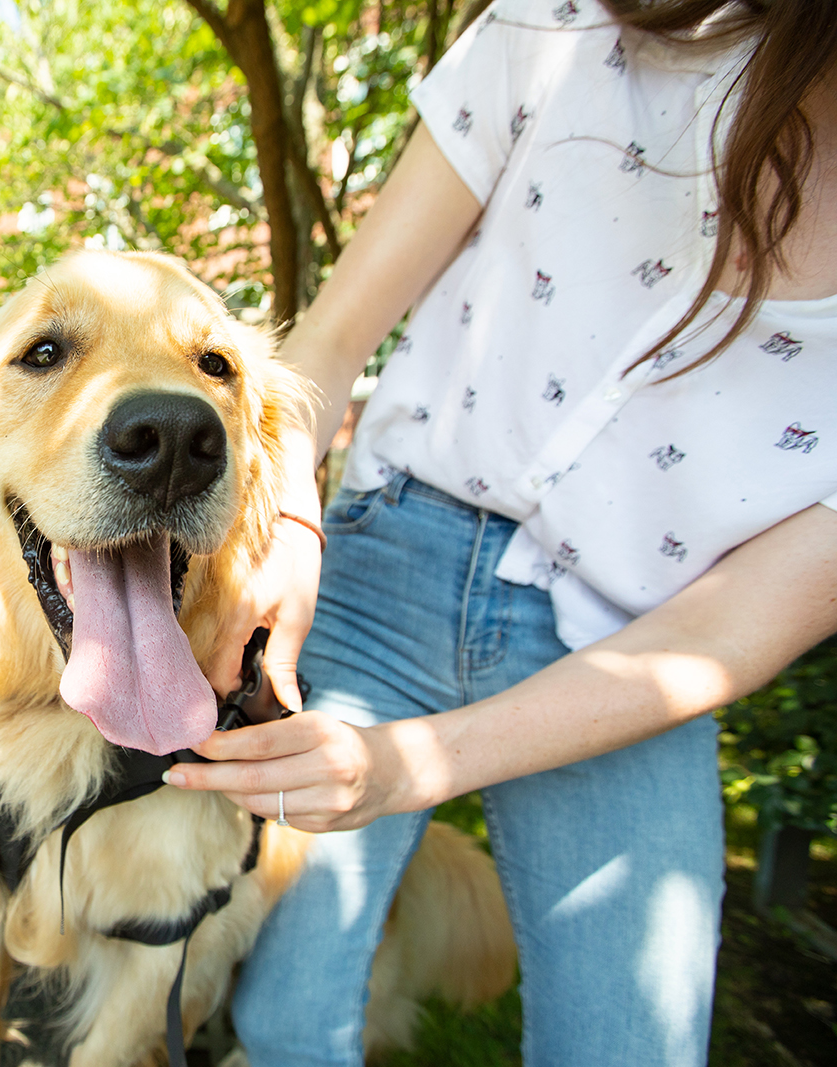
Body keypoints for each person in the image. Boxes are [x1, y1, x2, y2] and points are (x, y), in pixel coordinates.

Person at [169, 1, 837, 1064]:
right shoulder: (567, 23)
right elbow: (331, 334)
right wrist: (289, 526)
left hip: (631, 656)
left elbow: (732, 633)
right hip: (386, 556)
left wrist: (401, 768)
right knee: (282, 1011)